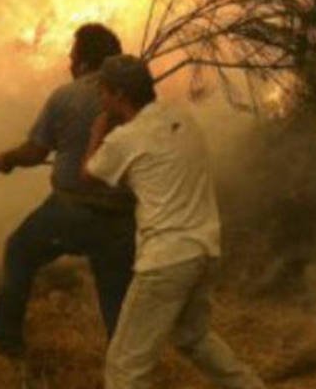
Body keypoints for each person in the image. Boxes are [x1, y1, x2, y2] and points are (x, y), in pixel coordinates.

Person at [83, 54, 265, 389]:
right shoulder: (183, 117)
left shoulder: (124, 140)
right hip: (204, 250)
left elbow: (88, 174)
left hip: (165, 260)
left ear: (120, 95)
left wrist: (98, 130)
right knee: (193, 338)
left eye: (103, 91)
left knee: (125, 367)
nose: (100, 98)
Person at [0, 23, 136, 356]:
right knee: (115, 292)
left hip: (71, 211)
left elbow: (35, 152)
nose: (69, 64)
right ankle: (127, 365)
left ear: (87, 63)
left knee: (19, 250)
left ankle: (4, 336)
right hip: (121, 216)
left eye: (73, 57)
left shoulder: (67, 95)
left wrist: (8, 159)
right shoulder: (135, 100)